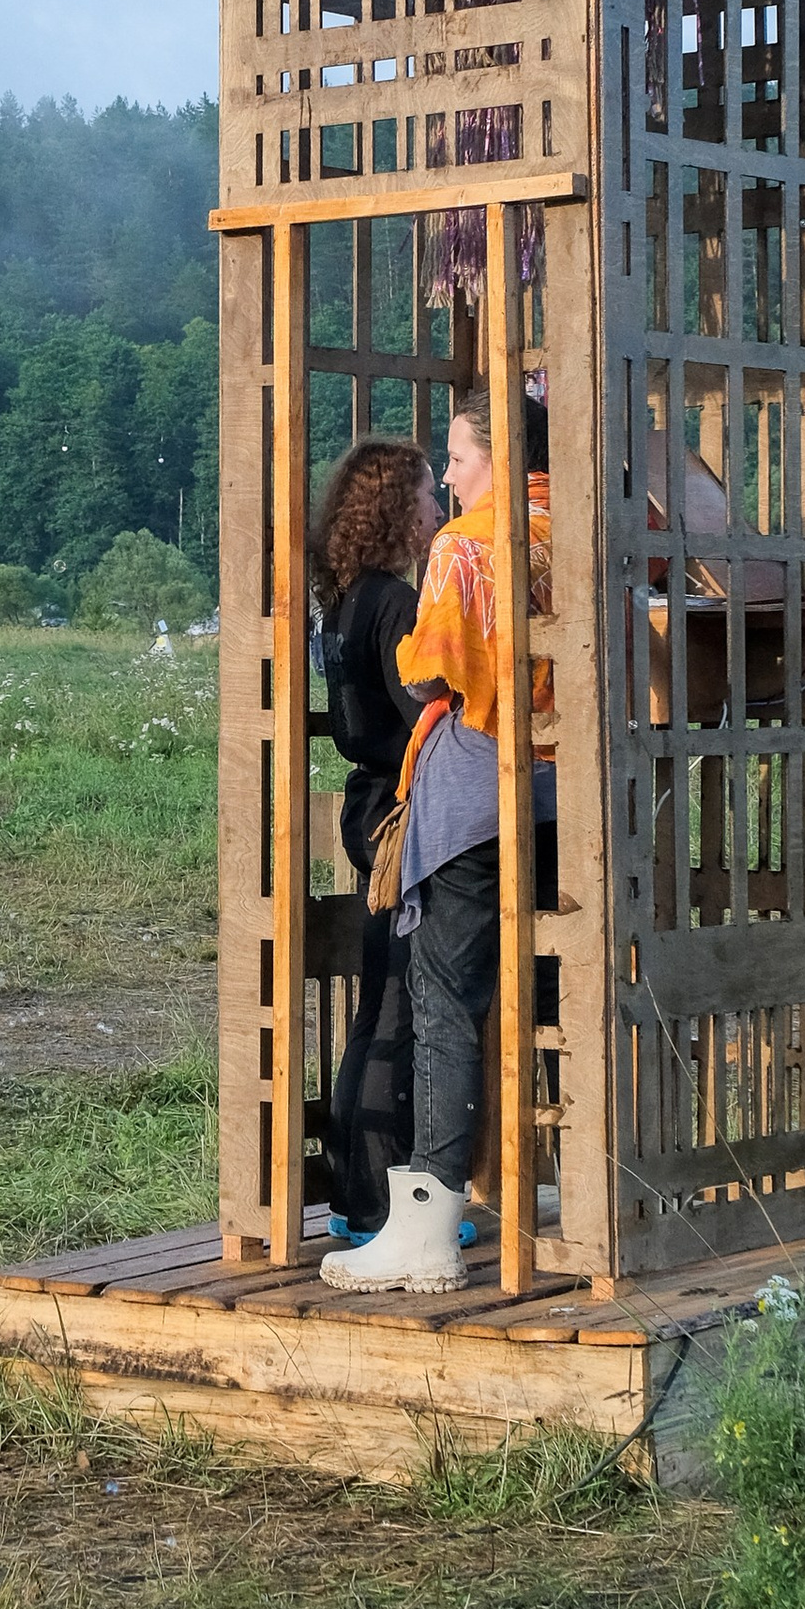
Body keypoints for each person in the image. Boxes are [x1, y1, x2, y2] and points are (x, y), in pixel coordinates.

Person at [319, 389, 554, 1296]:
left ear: (494, 456)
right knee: (525, 987)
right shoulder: (570, 532)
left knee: (444, 995)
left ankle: (426, 1227)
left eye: (456, 456)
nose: (448, 475)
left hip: (471, 794)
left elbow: (428, 664)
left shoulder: (466, 545)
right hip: (549, 789)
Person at [307, 438, 440, 1239]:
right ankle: (379, 1202)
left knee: (375, 1000)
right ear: (397, 507)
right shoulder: (393, 601)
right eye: (427, 494)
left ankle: (357, 1196)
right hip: (400, 811)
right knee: (398, 1006)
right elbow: (420, 703)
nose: (437, 506)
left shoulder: (348, 598)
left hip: (367, 807)